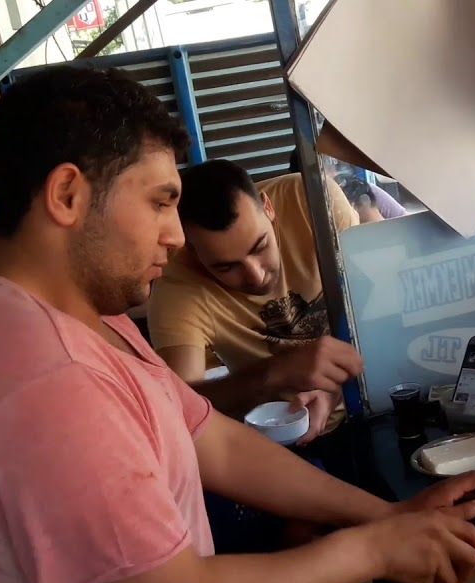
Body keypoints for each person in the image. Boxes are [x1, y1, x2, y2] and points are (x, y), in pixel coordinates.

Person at [0, 67, 475, 583]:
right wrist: (373, 551)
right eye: (158, 202)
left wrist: (385, 518)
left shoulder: (79, 321)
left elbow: (217, 442)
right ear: (68, 195)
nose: (176, 235)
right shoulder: (43, 374)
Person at [147, 159, 359, 442]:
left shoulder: (312, 201)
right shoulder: (177, 287)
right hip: (280, 440)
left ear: (267, 206)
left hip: (374, 401)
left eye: (260, 247)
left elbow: (377, 306)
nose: (256, 276)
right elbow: (180, 407)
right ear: (192, 252)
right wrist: (272, 374)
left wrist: (337, 386)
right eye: (226, 267)